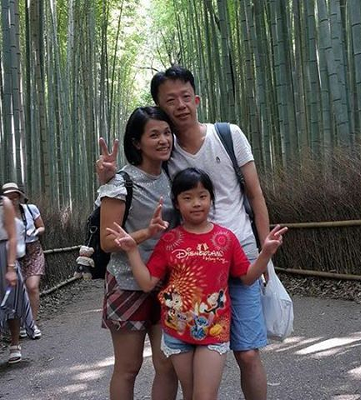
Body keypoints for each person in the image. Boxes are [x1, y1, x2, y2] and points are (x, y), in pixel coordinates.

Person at [97, 65, 272, 399]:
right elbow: (113, 226)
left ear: (197, 99)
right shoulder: (145, 167)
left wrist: (266, 252)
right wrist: (109, 179)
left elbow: (255, 194)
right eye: (170, 100)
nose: (180, 106)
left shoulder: (206, 147)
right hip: (154, 278)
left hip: (207, 266)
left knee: (222, 357)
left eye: (185, 97)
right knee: (144, 366)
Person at [107, 168, 287, 400]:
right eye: (187, 197)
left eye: (203, 196)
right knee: (190, 393)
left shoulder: (226, 238)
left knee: (204, 396)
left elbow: (247, 277)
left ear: (211, 199)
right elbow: (147, 283)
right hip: (177, 329)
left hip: (214, 329)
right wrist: (132, 250)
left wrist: (265, 253)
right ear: (177, 203)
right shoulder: (170, 240)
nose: (196, 203)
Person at [98, 106, 178, 400]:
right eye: (154, 135)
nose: (163, 140)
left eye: (167, 133)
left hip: (166, 284)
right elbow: (108, 242)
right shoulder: (121, 182)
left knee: (167, 365)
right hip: (127, 283)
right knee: (128, 368)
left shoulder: (174, 176)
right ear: (136, 142)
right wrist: (147, 232)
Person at [2, 182, 45, 339]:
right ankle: (20, 324)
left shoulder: (30, 209)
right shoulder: (2, 213)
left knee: (32, 287)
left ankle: (32, 323)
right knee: (18, 292)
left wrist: (35, 231)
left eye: (15, 196)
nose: (13, 200)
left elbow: (42, 227)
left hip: (33, 252)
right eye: (9, 197)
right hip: (14, 255)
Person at [0, 194, 35, 364]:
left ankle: (15, 343)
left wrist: (10, 267)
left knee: (11, 298)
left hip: (3, 253)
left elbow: (13, 235)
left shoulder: (3, 203)